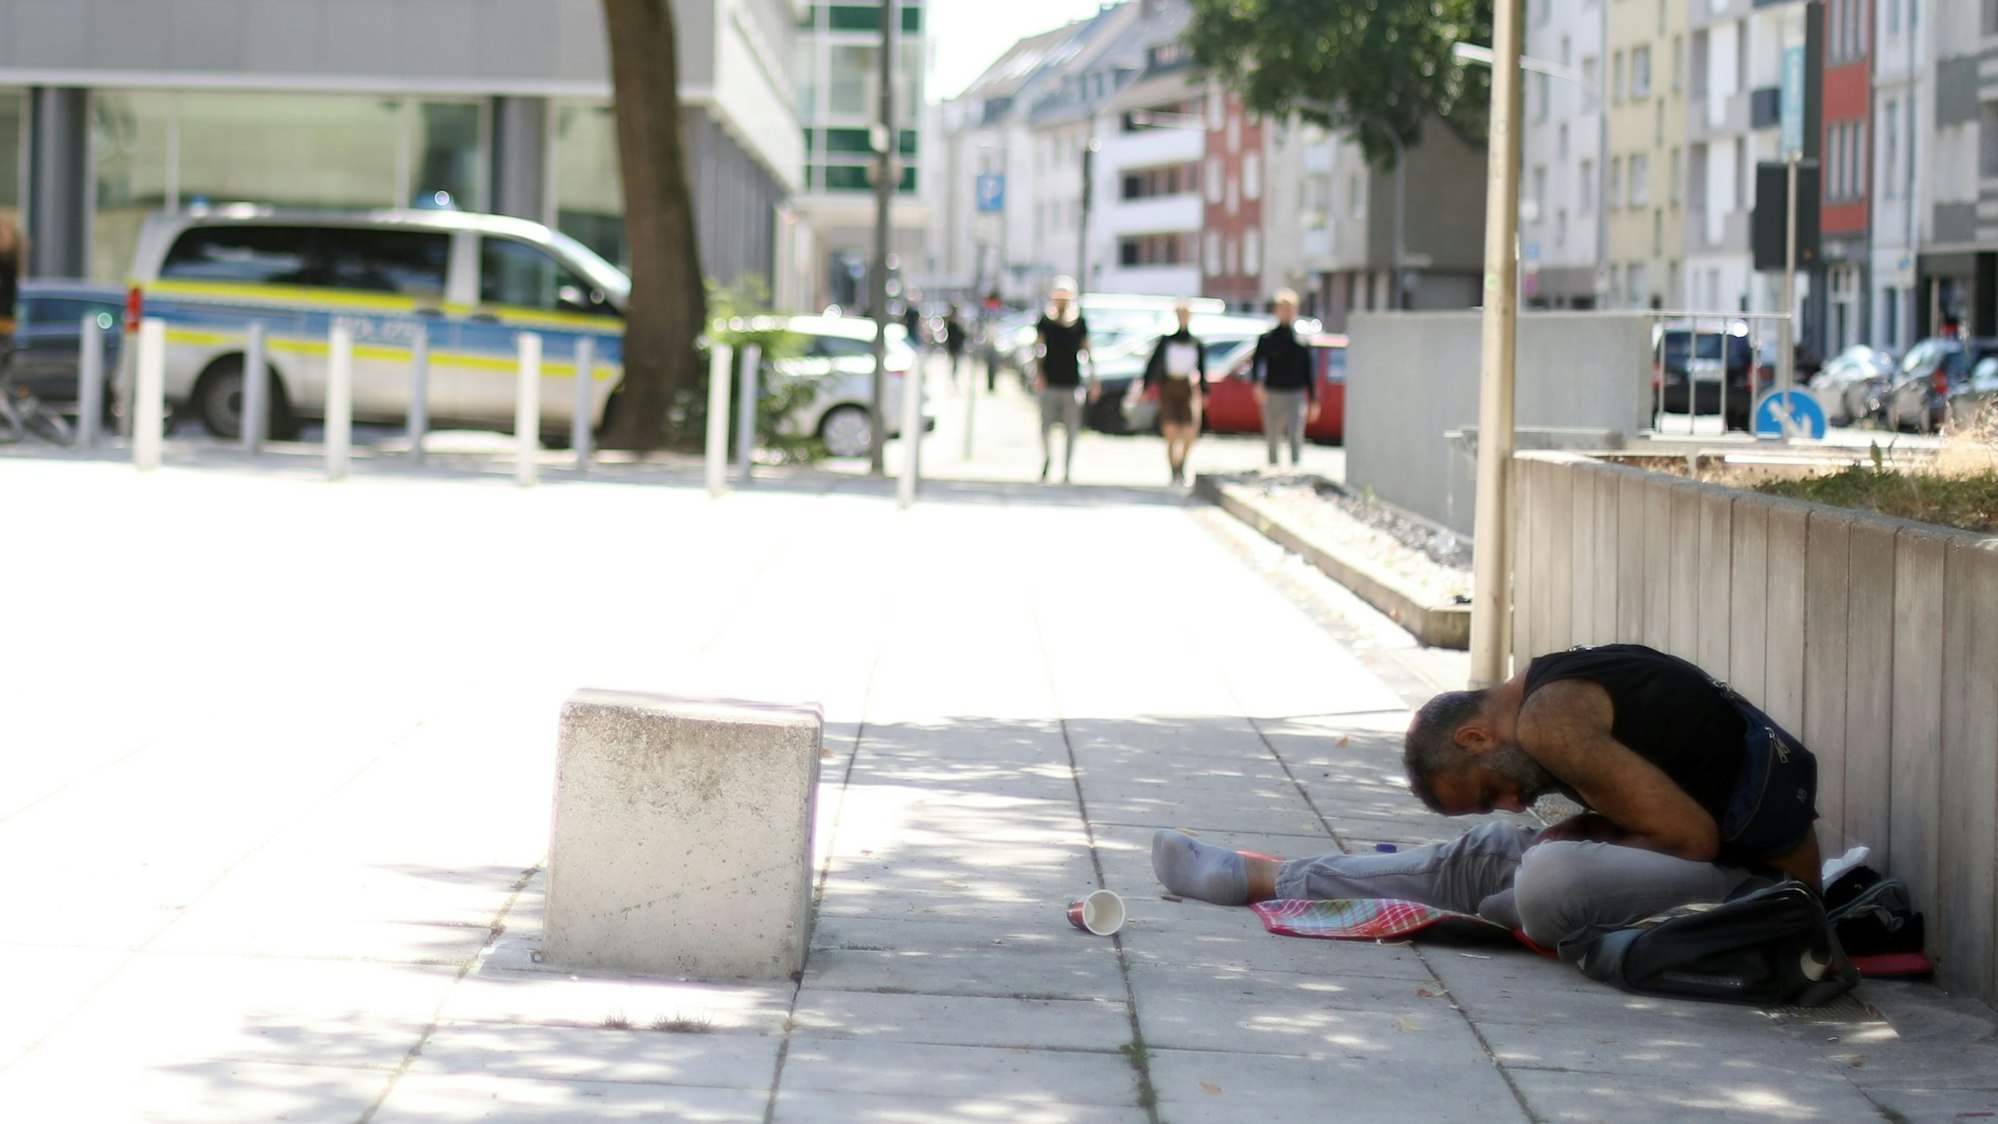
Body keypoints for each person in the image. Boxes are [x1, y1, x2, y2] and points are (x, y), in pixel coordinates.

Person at [1153, 643, 1822, 951]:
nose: (1509, 801)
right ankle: (1265, 877)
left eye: (1490, 790)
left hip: (1759, 894)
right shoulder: (1543, 689)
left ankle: (1500, 913)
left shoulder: (1547, 720)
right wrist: (1586, 824)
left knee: (1546, 872)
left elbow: (1690, 839)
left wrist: (1582, 835)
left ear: (1476, 736)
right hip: (1705, 861)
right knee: (1496, 849)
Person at [1137, 301, 1206, 485]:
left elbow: (1203, 369)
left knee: (1189, 430)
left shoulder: (1196, 342)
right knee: (1171, 430)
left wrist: (1204, 390)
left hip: (1187, 388)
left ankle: (1182, 463)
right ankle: (1173, 469)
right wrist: (1145, 387)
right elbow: (1152, 365)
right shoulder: (1167, 340)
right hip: (1169, 386)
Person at [1033, 276, 1094, 483]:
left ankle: (1067, 467)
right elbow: (1037, 348)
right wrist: (1038, 373)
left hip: (1071, 382)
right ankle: (1047, 461)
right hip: (1050, 382)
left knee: (1072, 428)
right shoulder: (1046, 320)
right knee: (1045, 426)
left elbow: (1087, 350)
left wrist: (1093, 376)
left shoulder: (1079, 321)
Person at [1248, 289, 1316, 468]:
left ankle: (1295, 468)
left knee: (1295, 433)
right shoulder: (1268, 338)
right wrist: (1256, 384)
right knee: (1272, 434)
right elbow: (1256, 363)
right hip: (1273, 391)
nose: (1287, 311)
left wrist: (1313, 398)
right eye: (1283, 307)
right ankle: (1272, 468)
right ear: (1277, 309)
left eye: (1291, 308)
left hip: (1295, 393)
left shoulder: (1301, 339)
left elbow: (1308, 370)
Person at [943, 304, 968, 390]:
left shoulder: (954, 322)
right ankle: (953, 379)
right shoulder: (952, 323)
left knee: (955, 364)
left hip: (955, 346)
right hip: (954, 346)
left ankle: (955, 378)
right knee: (954, 364)